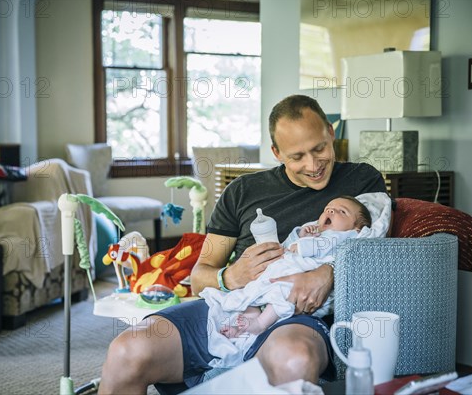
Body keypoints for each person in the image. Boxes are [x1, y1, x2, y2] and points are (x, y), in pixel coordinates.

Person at [98, 94, 387, 394]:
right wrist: (230, 276)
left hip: (296, 317)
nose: (313, 165)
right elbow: (199, 277)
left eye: (319, 149)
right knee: (126, 352)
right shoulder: (241, 192)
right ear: (276, 152)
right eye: (297, 156)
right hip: (228, 306)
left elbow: (376, 247)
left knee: (293, 360)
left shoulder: (361, 182)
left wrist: (329, 272)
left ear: (330, 131)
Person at [205, 195, 372, 345]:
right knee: (252, 293)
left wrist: (303, 244)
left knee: (281, 293)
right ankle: (244, 328)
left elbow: (315, 247)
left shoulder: (346, 236)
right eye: (327, 209)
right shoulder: (316, 230)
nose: (331, 211)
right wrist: (300, 234)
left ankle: (261, 324)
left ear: (357, 228)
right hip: (281, 271)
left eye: (341, 211)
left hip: (302, 280)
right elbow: (287, 245)